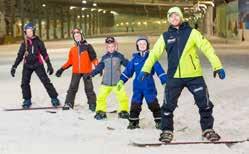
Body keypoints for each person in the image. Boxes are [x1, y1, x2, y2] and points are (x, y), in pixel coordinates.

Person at [139, 7, 226, 142]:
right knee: (168, 106)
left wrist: (217, 65)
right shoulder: (165, 36)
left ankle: (208, 129)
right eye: (171, 17)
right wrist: (145, 69)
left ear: (181, 17)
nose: (174, 18)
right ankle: (167, 131)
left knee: (205, 104)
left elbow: (207, 48)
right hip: (174, 77)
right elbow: (154, 54)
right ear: (169, 19)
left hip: (194, 76)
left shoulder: (192, 33)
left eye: (176, 16)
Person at [117, 36, 167, 129]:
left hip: (149, 85)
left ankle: (159, 120)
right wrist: (121, 81)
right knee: (135, 104)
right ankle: (133, 122)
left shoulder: (151, 57)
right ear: (137, 46)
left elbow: (159, 69)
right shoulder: (135, 59)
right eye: (140, 44)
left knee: (152, 103)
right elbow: (128, 71)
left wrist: (164, 81)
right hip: (137, 86)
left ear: (147, 45)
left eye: (144, 43)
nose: (142, 45)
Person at [10, 23, 60, 109]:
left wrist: (49, 64)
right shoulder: (24, 43)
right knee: (24, 83)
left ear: (33, 31)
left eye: (31, 31)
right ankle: (27, 100)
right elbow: (20, 56)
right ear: (25, 32)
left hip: (38, 64)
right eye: (27, 31)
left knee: (46, 81)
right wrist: (14, 66)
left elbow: (44, 54)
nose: (29, 33)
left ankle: (54, 98)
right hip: (27, 65)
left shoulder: (38, 42)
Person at [55, 28, 98, 111]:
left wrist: (97, 68)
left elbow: (94, 58)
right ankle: (68, 103)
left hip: (87, 71)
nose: (77, 37)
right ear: (74, 38)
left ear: (82, 36)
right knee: (72, 88)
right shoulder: (73, 49)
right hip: (76, 72)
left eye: (78, 36)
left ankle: (92, 104)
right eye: (75, 36)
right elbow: (70, 62)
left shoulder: (88, 46)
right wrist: (61, 69)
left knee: (89, 88)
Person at [91, 36, 129, 120]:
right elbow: (99, 67)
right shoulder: (105, 57)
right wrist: (92, 73)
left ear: (116, 46)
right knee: (101, 97)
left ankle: (123, 111)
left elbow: (127, 65)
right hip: (106, 82)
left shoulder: (119, 56)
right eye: (109, 47)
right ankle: (101, 111)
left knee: (122, 97)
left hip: (117, 82)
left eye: (112, 46)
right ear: (106, 47)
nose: (111, 48)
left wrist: (133, 67)